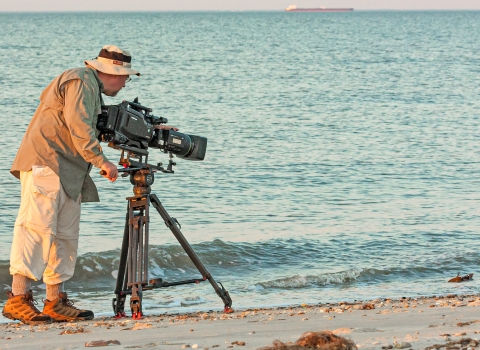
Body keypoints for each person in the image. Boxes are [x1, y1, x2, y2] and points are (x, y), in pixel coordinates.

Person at [1, 45, 172, 324]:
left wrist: (154, 131)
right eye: (125, 76)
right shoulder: (80, 79)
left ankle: (55, 301)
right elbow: (79, 126)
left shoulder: (90, 87)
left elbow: (101, 128)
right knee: (36, 228)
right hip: (47, 161)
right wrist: (102, 161)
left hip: (70, 169)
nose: (126, 82)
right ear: (111, 72)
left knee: (64, 235)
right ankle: (18, 298)